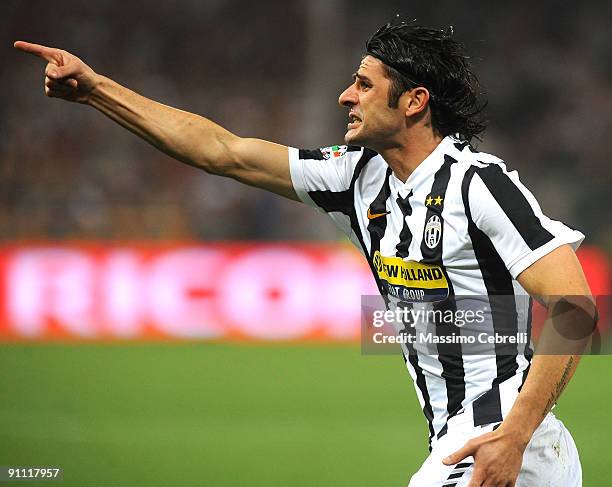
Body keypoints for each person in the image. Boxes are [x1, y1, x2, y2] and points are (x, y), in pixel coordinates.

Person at [15, 21, 594, 487]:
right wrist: (96, 91)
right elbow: (222, 151)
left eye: (365, 84)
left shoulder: (479, 184)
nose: (347, 95)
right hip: (489, 445)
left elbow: (575, 309)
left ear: (415, 101)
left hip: (500, 444)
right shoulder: (355, 177)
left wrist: (514, 436)